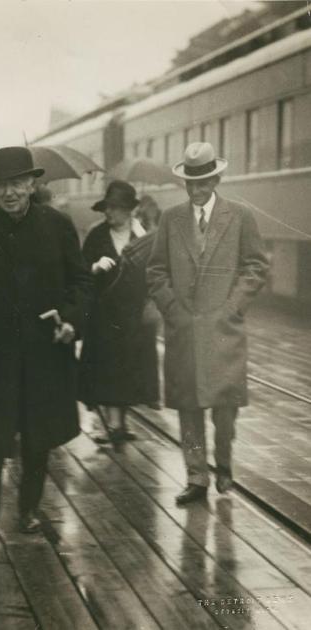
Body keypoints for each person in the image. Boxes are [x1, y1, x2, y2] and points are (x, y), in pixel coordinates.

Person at [0, 146, 92, 543]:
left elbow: (82, 284)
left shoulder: (58, 226)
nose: (9, 193)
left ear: (33, 184)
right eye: (2, 185)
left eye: (17, 183)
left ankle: (29, 510)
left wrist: (70, 320)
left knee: (38, 436)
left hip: (43, 351)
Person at [147, 142, 268, 505]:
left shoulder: (240, 216)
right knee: (189, 407)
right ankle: (197, 476)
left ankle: (225, 464)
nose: (197, 191)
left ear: (216, 179)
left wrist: (232, 308)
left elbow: (256, 266)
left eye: (203, 183)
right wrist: (174, 311)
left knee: (225, 408)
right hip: (184, 330)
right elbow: (155, 271)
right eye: (190, 184)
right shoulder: (171, 219)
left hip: (223, 331)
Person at [78, 180, 159, 443]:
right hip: (103, 315)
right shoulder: (96, 235)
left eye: (114, 208)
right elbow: (79, 273)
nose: (108, 213)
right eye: (106, 208)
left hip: (133, 316)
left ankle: (120, 423)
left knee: (128, 369)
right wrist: (94, 267)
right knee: (108, 369)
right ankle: (113, 426)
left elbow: (157, 270)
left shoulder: (143, 236)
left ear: (128, 210)